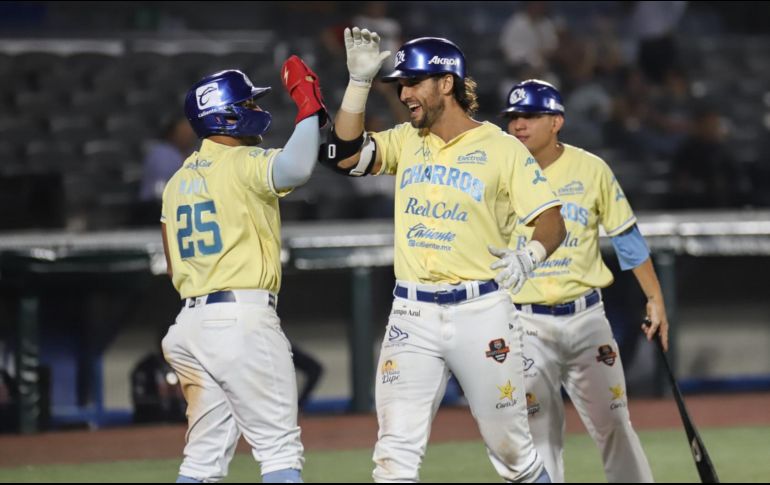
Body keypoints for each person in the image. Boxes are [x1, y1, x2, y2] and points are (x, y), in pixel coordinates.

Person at [321, 27, 566, 482]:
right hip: (411, 314)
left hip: (482, 312)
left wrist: (529, 256)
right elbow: (342, 154)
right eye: (401, 85)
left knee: (513, 454)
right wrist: (358, 84)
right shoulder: (405, 140)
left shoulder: (502, 148)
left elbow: (552, 220)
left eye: (414, 82)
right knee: (393, 457)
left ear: (447, 83)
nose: (406, 93)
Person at [159, 57, 327, 483]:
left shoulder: (177, 181)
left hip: (189, 324)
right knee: (278, 449)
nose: (255, 109)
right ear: (227, 114)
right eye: (247, 103)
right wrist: (309, 107)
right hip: (241, 320)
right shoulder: (240, 163)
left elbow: (172, 262)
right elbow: (297, 167)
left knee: (202, 461)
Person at [500, 79, 671, 483]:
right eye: (513, 118)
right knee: (538, 434)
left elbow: (626, 237)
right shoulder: (496, 169)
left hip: (586, 317)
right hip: (524, 321)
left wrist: (655, 299)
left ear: (556, 121)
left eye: (530, 116)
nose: (519, 125)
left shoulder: (591, 168)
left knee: (615, 425)